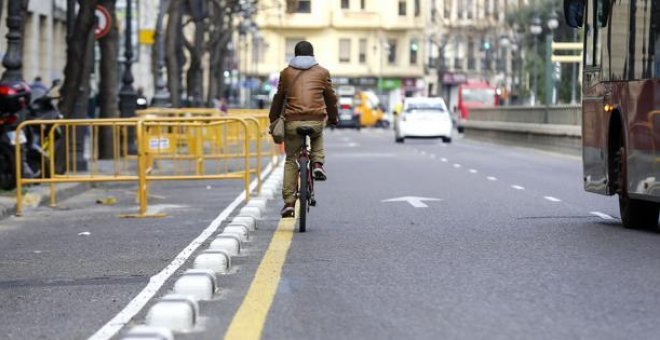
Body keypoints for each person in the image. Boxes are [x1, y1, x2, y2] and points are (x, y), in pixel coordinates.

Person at [269, 41, 338, 218]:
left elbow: (278, 98)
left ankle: (289, 204)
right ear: (313, 55)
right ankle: (317, 163)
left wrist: (274, 119)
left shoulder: (286, 72)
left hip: (292, 122)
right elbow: (331, 98)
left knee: (291, 160)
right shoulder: (322, 72)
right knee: (317, 133)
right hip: (315, 120)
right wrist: (332, 118)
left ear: (295, 54)